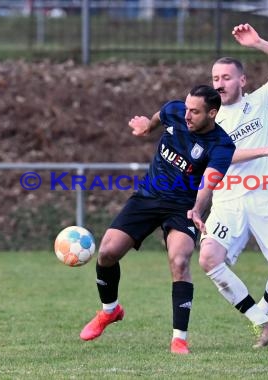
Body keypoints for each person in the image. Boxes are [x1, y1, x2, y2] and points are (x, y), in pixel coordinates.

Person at [79, 85, 235, 354]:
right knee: (106, 252)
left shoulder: (222, 145)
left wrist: (197, 209)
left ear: (212, 113)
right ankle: (110, 311)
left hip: (182, 207)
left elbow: (208, 184)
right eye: (186, 108)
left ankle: (179, 339)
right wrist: (147, 128)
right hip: (148, 196)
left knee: (179, 260)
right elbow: (160, 116)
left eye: (195, 112)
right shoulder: (176, 111)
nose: (187, 115)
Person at [197, 23, 268, 348]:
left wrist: (258, 42)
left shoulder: (259, 101)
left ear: (242, 80)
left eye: (226, 77)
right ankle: (260, 322)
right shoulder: (208, 119)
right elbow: (223, 157)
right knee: (208, 259)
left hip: (262, 195)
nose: (220, 83)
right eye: (215, 79)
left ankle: (264, 311)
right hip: (227, 201)